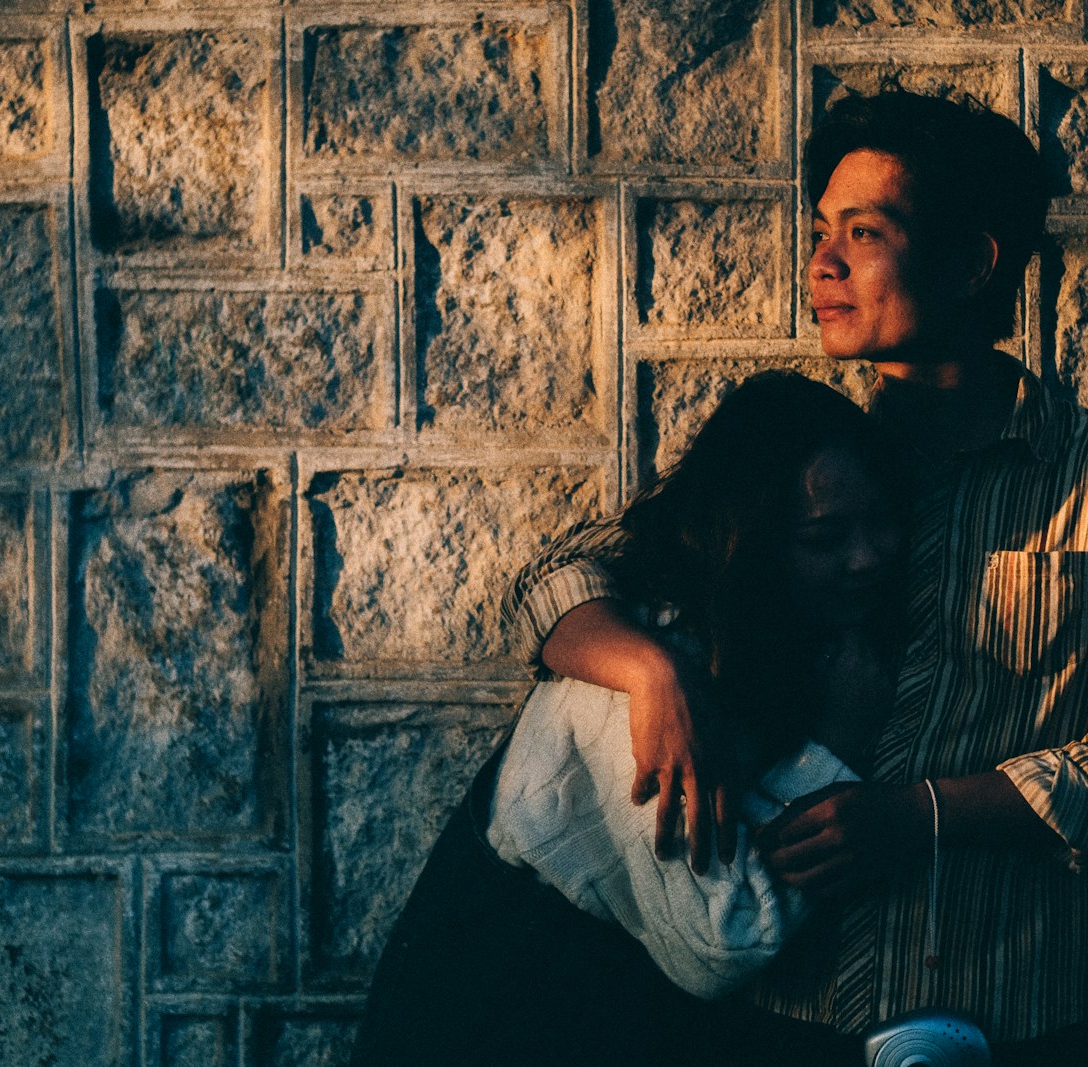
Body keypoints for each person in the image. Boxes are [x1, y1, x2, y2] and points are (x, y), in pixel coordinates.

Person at [502, 90, 1088, 1063]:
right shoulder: (801, 461)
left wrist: (923, 815)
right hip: (784, 1005)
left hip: (1012, 1003)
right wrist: (649, 673)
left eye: (864, 231)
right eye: (821, 229)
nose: (822, 261)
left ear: (971, 263)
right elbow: (555, 578)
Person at [352, 372, 909, 1067]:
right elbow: (722, 937)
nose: (869, 557)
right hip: (491, 1028)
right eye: (826, 537)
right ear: (753, 538)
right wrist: (839, 739)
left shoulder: (757, 631)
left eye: (881, 521)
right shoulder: (638, 687)